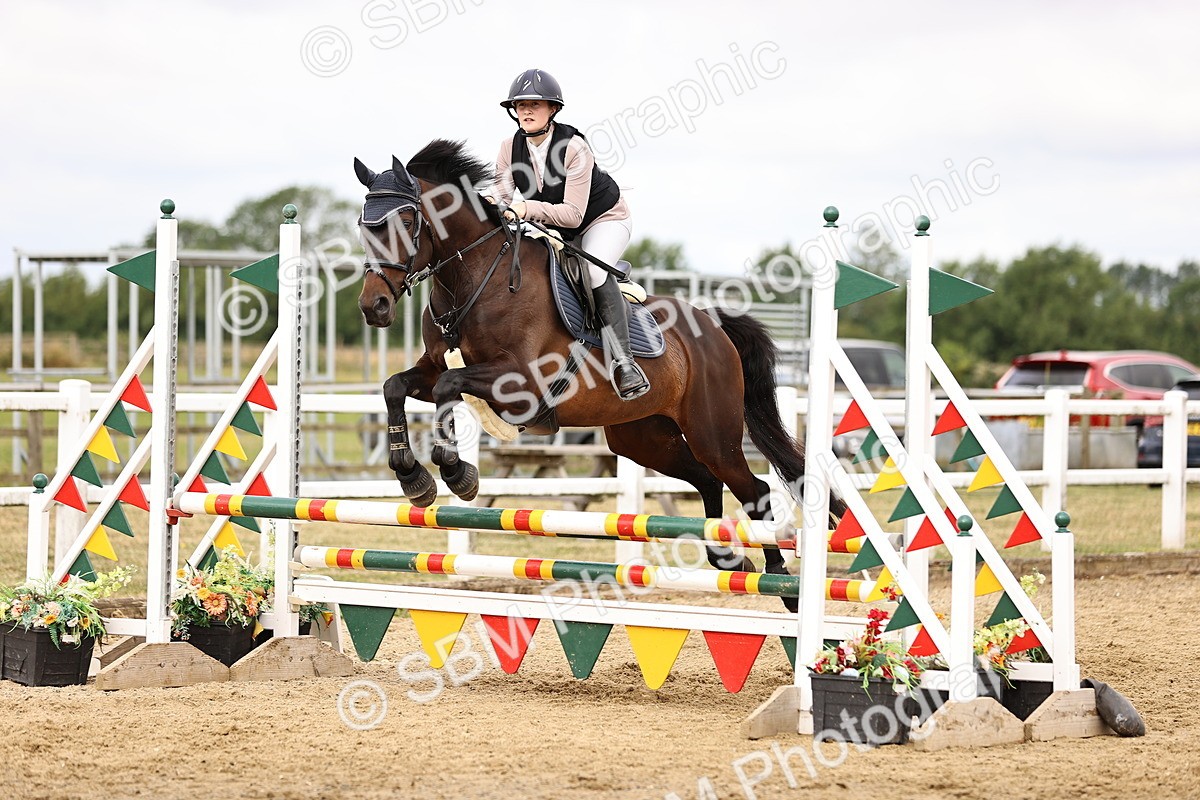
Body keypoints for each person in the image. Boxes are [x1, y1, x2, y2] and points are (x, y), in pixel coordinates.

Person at [489, 68, 649, 401]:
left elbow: (574, 215)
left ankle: (625, 363)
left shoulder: (574, 148)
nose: (527, 111)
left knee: (592, 270)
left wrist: (526, 209)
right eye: (521, 105)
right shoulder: (509, 148)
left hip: (602, 220)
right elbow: (502, 198)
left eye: (536, 104)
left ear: (553, 110)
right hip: (557, 228)